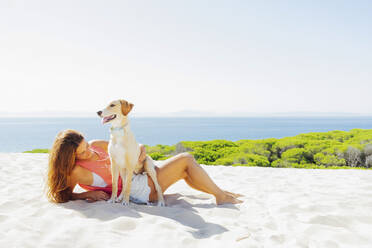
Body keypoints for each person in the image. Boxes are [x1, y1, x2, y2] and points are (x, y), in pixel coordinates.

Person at [46, 129, 243, 205]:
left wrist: (139, 148)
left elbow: (126, 148)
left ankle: (217, 192)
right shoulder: (75, 171)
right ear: (69, 157)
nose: (89, 151)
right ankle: (220, 196)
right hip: (140, 190)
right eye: (82, 152)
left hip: (141, 173)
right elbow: (62, 194)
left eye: (86, 145)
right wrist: (85, 195)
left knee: (184, 170)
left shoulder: (97, 145)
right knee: (186, 160)